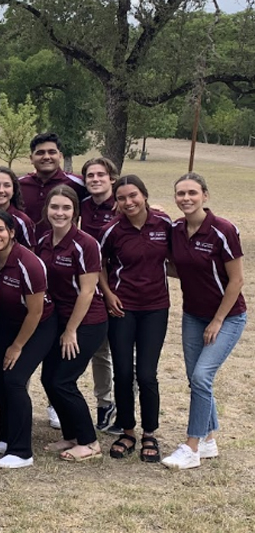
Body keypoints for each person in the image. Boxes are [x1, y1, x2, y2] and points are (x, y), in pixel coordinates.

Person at [162, 173, 246, 470]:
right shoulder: (175, 229)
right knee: (196, 380)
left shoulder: (223, 230)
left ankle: (192, 446)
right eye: (180, 193)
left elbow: (236, 280)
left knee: (201, 377)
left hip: (228, 316)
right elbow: (177, 268)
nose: (186, 198)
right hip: (192, 315)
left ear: (205, 196)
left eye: (192, 193)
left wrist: (218, 320)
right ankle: (209, 439)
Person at [98, 175, 171, 462]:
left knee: (147, 374)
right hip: (122, 309)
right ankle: (127, 431)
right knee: (124, 373)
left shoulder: (164, 225)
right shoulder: (111, 230)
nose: (129, 202)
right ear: (116, 201)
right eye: (122, 198)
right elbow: (99, 265)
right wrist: (107, 294)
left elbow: (178, 258)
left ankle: (149, 433)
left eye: (133, 196)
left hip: (155, 307)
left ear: (144, 195)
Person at [35, 185, 107, 462]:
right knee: (48, 379)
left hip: (86, 322)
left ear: (75, 212)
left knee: (63, 381)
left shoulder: (86, 244)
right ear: (47, 210)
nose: (60, 213)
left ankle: (89, 442)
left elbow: (88, 291)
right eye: (55, 207)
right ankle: (71, 435)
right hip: (57, 319)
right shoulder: (43, 241)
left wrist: (71, 330)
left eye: (66, 208)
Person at [0, 210, 57, 469]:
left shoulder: (28, 263)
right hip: (8, 324)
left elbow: (35, 312)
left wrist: (17, 346)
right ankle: (6, 437)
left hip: (39, 325)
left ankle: (22, 451)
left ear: (12, 232)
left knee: (14, 379)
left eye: (0, 230)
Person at [79, 157, 119, 434]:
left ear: (112, 178)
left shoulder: (123, 202)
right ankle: (105, 404)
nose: (95, 179)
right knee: (100, 352)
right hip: (95, 284)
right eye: (90, 175)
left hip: (123, 285)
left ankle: (125, 406)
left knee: (125, 354)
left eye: (100, 175)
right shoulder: (83, 205)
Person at [18, 133, 87, 239]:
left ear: (60, 156)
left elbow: (106, 194)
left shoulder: (78, 184)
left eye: (52, 152)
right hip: (27, 251)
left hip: (65, 252)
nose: (46, 157)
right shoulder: (18, 186)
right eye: (40, 153)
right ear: (31, 158)